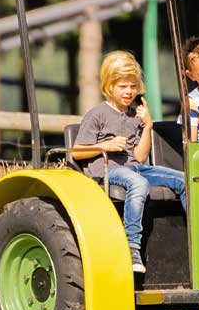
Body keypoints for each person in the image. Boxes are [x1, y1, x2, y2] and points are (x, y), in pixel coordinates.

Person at [74, 51, 187, 274]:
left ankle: (193, 234)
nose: (129, 92)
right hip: (107, 170)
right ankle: (132, 246)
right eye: (122, 86)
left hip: (134, 167)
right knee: (138, 183)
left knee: (183, 179)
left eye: (133, 87)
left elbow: (140, 156)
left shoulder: (134, 117)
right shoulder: (97, 114)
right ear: (109, 85)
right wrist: (104, 146)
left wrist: (147, 125)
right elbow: (77, 152)